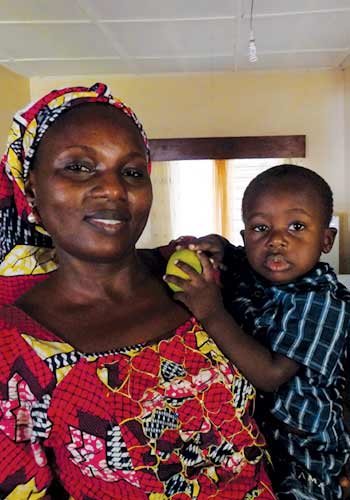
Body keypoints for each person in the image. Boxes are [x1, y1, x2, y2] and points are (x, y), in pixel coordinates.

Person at [0, 83, 275, 499]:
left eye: (131, 172)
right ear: (31, 189)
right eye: (78, 167)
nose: (113, 190)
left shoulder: (190, 277)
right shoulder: (17, 346)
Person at [164, 165, 350, 499]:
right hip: (254, 439)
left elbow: (270, 374)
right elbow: (240, 260)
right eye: (260, 227)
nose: (276, 239)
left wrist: (210, 310)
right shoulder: (253, 273)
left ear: (326, 239)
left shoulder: (321, 301)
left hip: (303, 452)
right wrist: (220, 248)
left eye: (297, 226)